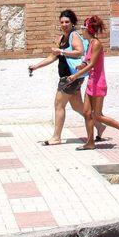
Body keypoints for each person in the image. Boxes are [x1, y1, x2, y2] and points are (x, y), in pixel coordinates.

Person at [26, 9, 96, 146]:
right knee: (77, 106)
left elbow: (79, 52)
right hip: (68, 76)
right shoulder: (61, 38)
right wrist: (36, 66)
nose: (64, 24)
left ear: (73, 23)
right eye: (62, 22)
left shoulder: (74, 35)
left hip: (71, 76)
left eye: (67, 22)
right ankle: (99, 124)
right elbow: (53, 57)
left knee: (59, 104)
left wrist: (62, 51)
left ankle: (56, 137)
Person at [67, 15, 119, 150]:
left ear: (88, 29)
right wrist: (81, 65)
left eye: (83, 28)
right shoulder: (90, 43)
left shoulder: (96, 43)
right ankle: (90, 143)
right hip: (91, 82)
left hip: (98, 83)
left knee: (97, 115)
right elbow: (88, 61)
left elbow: (92, 65)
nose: (81, 31)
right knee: (86, 113)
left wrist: (75, 76)